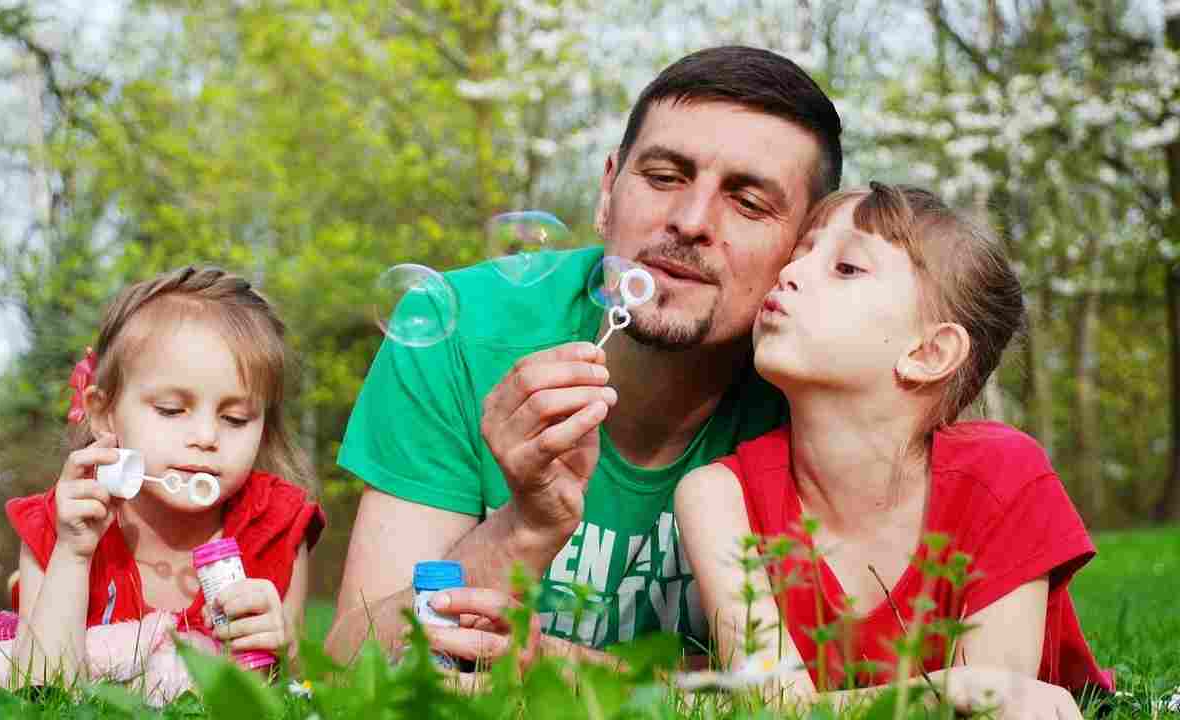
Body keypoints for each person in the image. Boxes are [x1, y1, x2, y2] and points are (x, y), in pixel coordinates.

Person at [326, 45, 843, 669]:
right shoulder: (453, 328)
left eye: (748, 202)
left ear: (804, 249)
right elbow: (348, 663)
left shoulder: (822, 388)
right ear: (607, 190)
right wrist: (526, 527)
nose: (689, 220)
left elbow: (826, 691)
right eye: (663, 177)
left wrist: (570, 675)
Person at [674, 183, 1112, 719]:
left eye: (846, 268)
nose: (789, 272)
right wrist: (949, 688)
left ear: (930, 352)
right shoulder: (717, 496)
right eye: (801, 252)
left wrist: (971, 692)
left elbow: (1002, 704)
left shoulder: (1004, 476)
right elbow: (773, 706)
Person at [0, 266, 326, 707]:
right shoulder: (60, 523)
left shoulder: (276, 526)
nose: (206, 437)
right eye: (171, 409)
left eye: (236, 418)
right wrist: (72, 553)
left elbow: (293, 695)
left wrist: (283, 648)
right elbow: (40, 688)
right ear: (103, 413)